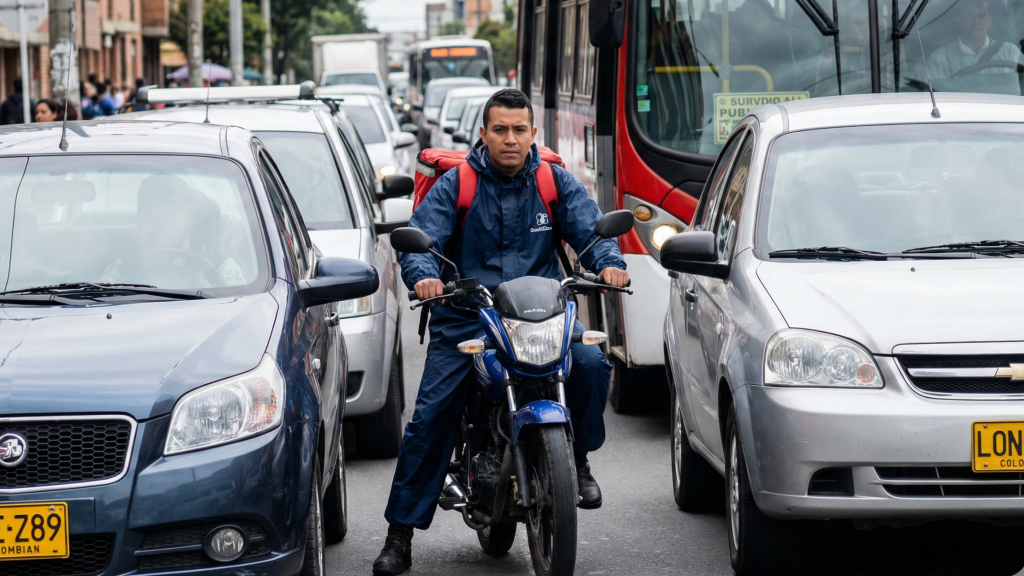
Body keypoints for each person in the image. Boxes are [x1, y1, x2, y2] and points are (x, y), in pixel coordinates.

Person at [371, 88, 629, 576]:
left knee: (592, 364)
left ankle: (575, 458)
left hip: (542, 315)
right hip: (469, 315)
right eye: (500, 129)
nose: (510, 139)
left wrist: (609, 263)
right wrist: (424, 277)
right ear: (484, 134)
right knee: (431, 416)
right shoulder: (459, 184)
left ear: (533, 134)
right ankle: (399, 536)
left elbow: (591, 232)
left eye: (519, 130)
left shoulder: (553, 181)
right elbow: (421, 243)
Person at [928, 0, 1024, 79]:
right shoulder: (941, 58)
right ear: (958, 21)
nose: (976, 21)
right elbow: (935, 92)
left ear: (990, 20)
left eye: (982, 16)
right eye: (969, 16)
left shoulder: (1011, 53)